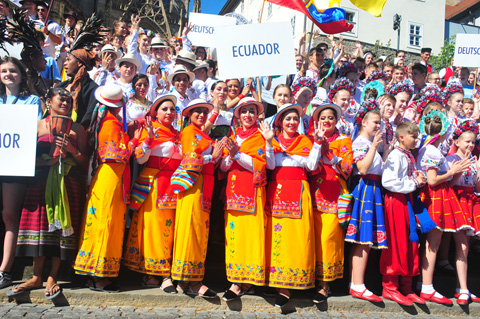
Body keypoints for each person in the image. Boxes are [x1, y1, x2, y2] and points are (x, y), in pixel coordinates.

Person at [9, 88, 87, 299]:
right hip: (39, 181)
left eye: (69, 101)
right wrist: (49, 161)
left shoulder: (78, 129)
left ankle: (53, 276)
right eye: (61, 99)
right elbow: (22, 157)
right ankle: (36, 276)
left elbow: (84, 162)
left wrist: (72, 151)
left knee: (61, 229)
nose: (66, 103)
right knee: (40, 226)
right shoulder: (35, 127)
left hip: (68, 182)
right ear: (48, 101)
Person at [74, 84, 141, 291]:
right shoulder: (111, 124)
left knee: (104, 221)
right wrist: (135, 139)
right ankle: (98, 274)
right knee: (105, 222)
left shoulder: (107, 122)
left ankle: (97, 272)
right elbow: (117, 155)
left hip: (110, 177)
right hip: (111, 177)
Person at [266, 103, 324, 308]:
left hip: (298, 192)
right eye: (288, 119)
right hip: (277, 191)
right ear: (280, 122)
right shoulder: (273, 141)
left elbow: (311, 166)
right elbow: (270, 165)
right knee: (278, 238)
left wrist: (316, 143)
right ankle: (278, 283)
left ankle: (291, 283)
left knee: (296, 238)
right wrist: (267, 143)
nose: (292, 122)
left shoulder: (304, 141)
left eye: (295, 119)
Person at [123, 94, 181, 293]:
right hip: (155, 186)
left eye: (172, 109)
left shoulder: (177, 133)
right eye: (165, 109)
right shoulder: (151, 130)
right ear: (155, 112)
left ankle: (155, 274)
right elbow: (139, 158)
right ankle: (161, 274)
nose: (169, 112)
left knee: (168, 230)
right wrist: (148, 137)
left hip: (173, 187)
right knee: (155, 229)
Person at [417, 109, 474, 305]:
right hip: (435, 196)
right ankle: (426, 286)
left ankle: (424, 284)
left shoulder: (431, 148)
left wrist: (456, 172)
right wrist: (453, 170)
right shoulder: (432, 150)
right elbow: (432, 181)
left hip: (439, 195)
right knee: (433, 242)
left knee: (434, 242)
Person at [220, 98, 275, 301]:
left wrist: (237, 155)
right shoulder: (233, 135)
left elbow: (266, 165)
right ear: (238, 115)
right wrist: (229, 156)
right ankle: (235, 280)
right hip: (233, 194)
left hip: (252, 193)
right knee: (234, 237)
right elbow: (224, 167)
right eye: (244, 111)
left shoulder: (261, 136)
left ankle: (248, 281)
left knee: (250, 237)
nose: (248, 115)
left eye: (252, 111)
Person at [171, 99, 226, 298]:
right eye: (197, 112)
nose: (202, 115)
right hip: (194, 186)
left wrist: (217, 155)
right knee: (191, 230)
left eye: (204, 112)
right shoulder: (188, 133)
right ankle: (192, 280)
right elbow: (189, 160)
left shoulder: (202, 134)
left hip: (205, 186)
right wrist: (213, 156)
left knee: (198, 230)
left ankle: (185, 281)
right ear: (188, 115)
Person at [0, 57, 42, 288]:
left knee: (9, 214)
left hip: (14, 164)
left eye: (13, 71)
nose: (8, 75)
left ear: (21, 74)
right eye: (4, 71)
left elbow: (33, 132)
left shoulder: (32, 100)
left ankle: (5, 269)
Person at [307, 103, 353, 303]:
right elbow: (308, 166)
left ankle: (326, 284)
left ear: (336, 121)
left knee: (329, 238)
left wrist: (330, 155)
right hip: (313, 193)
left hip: (334, 194)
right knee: (314, 237)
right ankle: (310, 280)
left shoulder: (344, 141)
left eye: (330, 118)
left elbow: (348, 168)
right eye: (323, 118)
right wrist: (318, 147)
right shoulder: (309, 140)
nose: (327, 121)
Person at [381, 122, 430, 306]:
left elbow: (407, 176)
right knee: (397, 242)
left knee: (411, 243)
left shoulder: (408, 155)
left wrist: (418, 177)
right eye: (413, 137)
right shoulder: (396, 155)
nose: (416, 140)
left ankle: (407, 286)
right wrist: (414, 183)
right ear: (402, 137)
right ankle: (390, 286)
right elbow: (389, 181)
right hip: (397, 201)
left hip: (407, 200)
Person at [347, 99, 388, 302]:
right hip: (365, 189)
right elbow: (362, 168)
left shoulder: (371, 144)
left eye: (380, 123)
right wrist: (374, 147)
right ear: (364, 122)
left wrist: (384, 148)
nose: (378, 126)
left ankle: (357, 282)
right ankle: (357, 284)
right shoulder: (360, 143)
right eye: (375, 122)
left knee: (368, 239)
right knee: (363, 238)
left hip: (374, 189)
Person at [446, 120, 480, 305]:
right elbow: (449, 184)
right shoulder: (451, 160)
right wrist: (459, 170)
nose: (470, 145)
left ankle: (462, 287)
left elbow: (476, 186)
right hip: (455, 201)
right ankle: (463, 289)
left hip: (469, 202)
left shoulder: (474, 161)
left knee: (465, 246)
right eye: (467, 141)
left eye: (473, 142)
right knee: (462, 247)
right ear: (457, 142)